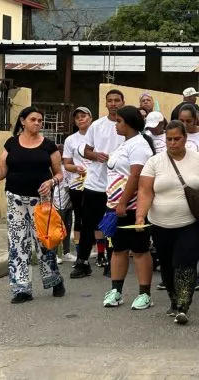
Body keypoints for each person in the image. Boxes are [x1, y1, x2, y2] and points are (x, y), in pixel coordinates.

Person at [136, 121, 199, 325]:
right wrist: (140, 216)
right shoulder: (154, 162)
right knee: (167, 265)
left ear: (185, 138)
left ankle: (183, 305)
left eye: (177, 139)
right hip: (160, 224)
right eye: (169, 139)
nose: (172, 143)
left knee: (185, 262)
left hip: (191, 223)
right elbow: (145, 191)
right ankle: (174, 300)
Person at [0, 106, 66, 303]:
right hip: (15, 199)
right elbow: (1, 174)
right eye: (33, 119)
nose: (37, 123)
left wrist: (51, 182)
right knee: (17, 243)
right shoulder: (11, 143)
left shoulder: (48, 145)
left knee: (44, 242)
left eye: (40, 120)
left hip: (41, 201)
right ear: (23, 121)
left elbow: (59, 173)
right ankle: (21, 289)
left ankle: (54, 279)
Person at [102, 106, 155, 310]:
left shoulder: (139, 145)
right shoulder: (124, 144)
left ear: (130, 123)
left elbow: (136, 175)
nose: (116, 125)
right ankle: (116, 291)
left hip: (132, 207)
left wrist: (124, 202)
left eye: (119, 121)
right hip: (115, 207)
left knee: (140, 250)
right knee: (118, 248)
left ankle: (145, 294)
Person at [71, 90, 125, 278]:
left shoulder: (128, 126)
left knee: (112, 224)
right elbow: (86, 150)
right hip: (95, 183)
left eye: (117, 100)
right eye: (110, 101)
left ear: (123, 102)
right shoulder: (97, 125)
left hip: (117, 185)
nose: (113, 104)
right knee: (88, 224)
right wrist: (95, 155)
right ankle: (82, 262)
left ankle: (112, 262)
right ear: (106, 103)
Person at [62, 106, 93, 262]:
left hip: (96, 183)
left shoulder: (98, 136)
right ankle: (80, 254)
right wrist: (76, 168)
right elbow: (67, 163)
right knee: (79, 217)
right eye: (77, 117)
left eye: (83, 116)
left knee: (95, 216)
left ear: (90, 118)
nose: (80, 119)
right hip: (77, 183)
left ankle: (100, 252)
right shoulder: (71, 140)